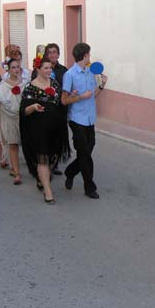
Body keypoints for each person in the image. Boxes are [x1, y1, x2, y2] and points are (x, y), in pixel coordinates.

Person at [20, 57, 70, 204]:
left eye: (50, 68)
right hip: (38, 130)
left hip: (55, 128)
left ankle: (41, 179)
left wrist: (71, 96)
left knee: (52, 158)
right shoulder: (30, 87)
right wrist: (33, 106)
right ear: (38, 69)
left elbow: (60, 103)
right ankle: (48, 192)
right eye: (46, 68)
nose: (49, 70)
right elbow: (23, 111)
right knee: (42, 159)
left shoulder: (54, 83)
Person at [62, 43, 107, 199]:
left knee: (87, 151)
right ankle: (90, 187)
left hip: (90, 118)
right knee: (84, 153)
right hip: (76, 119)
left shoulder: (90, 72)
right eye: (89, 54)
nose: (90, 57)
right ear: (85, 55)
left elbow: (93, 95)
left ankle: (70, 172)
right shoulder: (70, 75)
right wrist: (80, 96)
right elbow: (64, 100)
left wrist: (102, 85)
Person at [31, 43, 69, 176]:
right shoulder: (38, 70)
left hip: (59, 110)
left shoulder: (64, 70)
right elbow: (33, 89)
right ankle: (43, 166)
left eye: (55, 52)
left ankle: (54, 164)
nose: (52, 54)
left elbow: (68, 88)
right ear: (46, 55)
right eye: (50, 52)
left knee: (57, 139)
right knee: (44, 139)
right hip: (43, 110)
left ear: (58, 54)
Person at [0, 58, 26, 185]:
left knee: (26, 144)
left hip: (23, 117)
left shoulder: (25, 83)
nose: (16, 69)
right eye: (13, 67)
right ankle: (16, 173)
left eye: (17, 67)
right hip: (9, 117)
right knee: (13, 144)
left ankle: (30, 169)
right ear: (9, 70)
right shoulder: (4, 84)